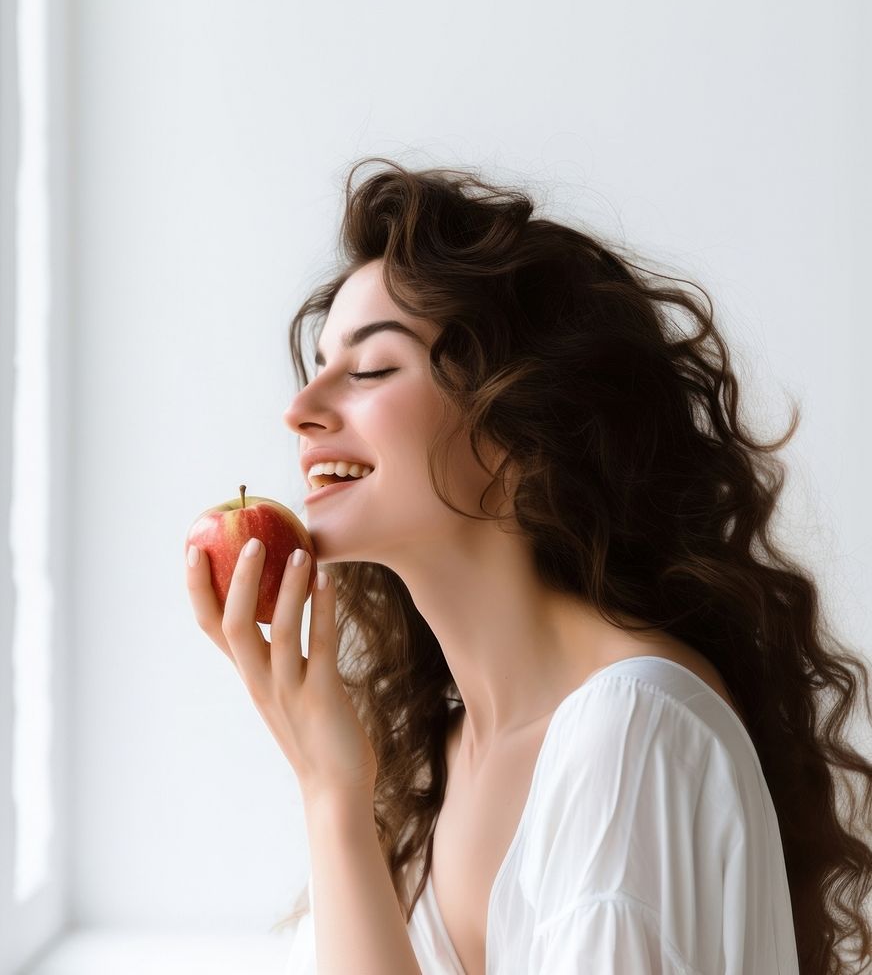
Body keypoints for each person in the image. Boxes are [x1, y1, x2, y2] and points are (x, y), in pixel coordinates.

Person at [184, 159, 872, 974]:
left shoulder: (628, 737)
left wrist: (334, 799)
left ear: (520, 429)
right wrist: (332, 791)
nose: (300, 411)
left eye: (370, 369)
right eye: (320, 366)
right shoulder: (430, 760)